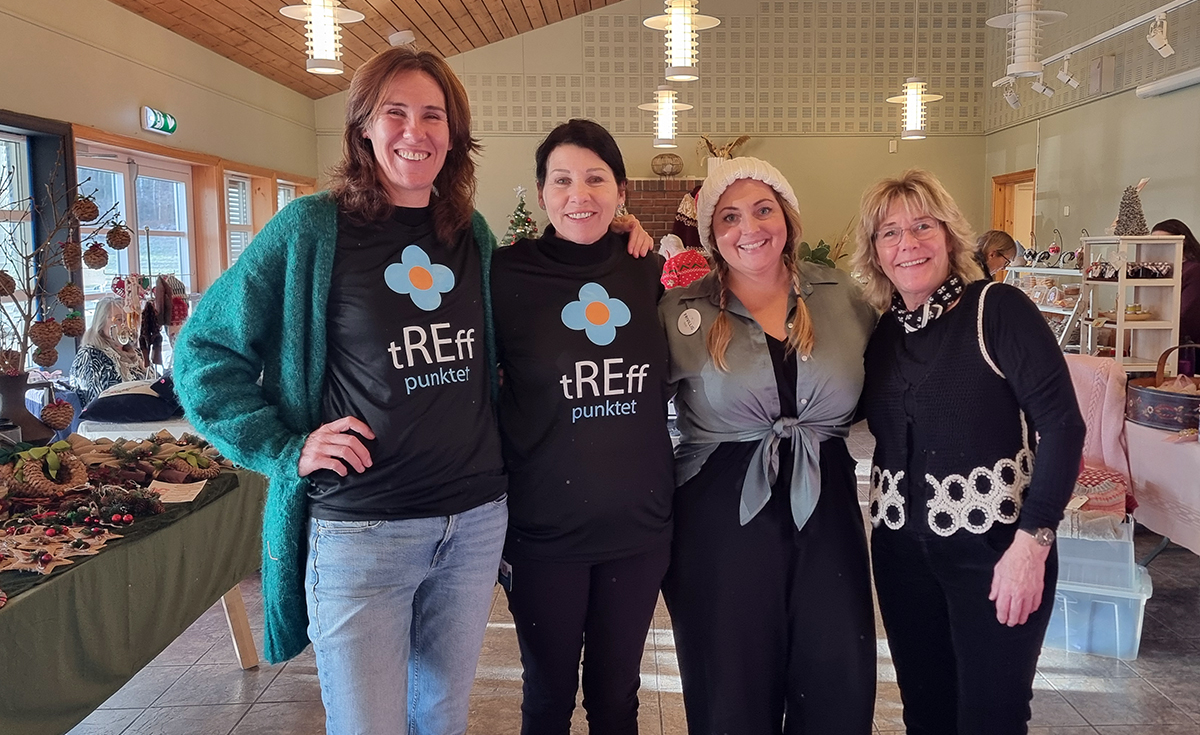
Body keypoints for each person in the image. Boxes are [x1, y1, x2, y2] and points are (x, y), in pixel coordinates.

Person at [174, 46, 512, 735]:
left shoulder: (470, 235)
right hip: (364, 531)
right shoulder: (311, 230)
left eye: (433, 115)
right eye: (395, 113)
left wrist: (612, 236)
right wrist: (282, 448)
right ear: (363, 127)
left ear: (454, 134)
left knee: (441, 721)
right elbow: (204, 351)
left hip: (474, 522)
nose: (415, 131)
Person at [852, 169, 1086, 735]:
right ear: (875, 252)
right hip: (901, 558)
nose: (908, 244)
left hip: (997, 552)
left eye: (922, 226)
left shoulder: (996, 310)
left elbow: (1062, 427)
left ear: (949, 236)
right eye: (890, 233)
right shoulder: (884, 335)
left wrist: (1033, 544)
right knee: (925, 713)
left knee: (992, 717)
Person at [659, 157, 877, 734]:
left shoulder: (844, 296)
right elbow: (630, 412)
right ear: (711, 234)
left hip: (827, 510)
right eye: (729, 217)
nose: (749, 228)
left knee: (836, 679)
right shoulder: (681, 311)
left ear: (788, 217)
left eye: (763, 210)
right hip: (718, 520)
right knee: (730, 691)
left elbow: (898, 384)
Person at [491, 119, 674, 734]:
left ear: (621, 191)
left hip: (639, 526)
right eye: (562, 180)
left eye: (596, 179)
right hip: (543, 531)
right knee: (548, 696)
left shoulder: (649, 272)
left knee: (617, 696)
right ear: (542, 192)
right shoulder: (504, 275)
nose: (580, 195)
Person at [71, 296, 149, 405]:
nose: (125, 325)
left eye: (128, 319)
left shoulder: (137, 353)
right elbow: (100, 401)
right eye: (119, 319)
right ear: (101, 323)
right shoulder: (90, 356)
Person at [1151, 218, 1200, 349]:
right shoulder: (1161, 269)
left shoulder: (1194, 270)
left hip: (1183, 343)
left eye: (1163, 242)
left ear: (1182, 242)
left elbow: (1188, 313)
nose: (1158, 247)